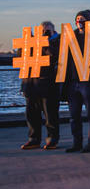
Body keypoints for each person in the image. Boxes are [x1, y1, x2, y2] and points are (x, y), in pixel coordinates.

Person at [20, 21, 60, 150]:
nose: (44, 33)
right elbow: (20, 55)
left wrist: (45, 41)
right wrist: (29, 41)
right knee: (31, 115)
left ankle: (52, 139)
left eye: (47, 31)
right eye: (42, 30)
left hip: (48, 86)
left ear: (53, 31)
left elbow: (54, 56)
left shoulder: (57, 42)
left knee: (50, 116)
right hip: (31, 84)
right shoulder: (33, 42)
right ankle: (33, 139)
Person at [64, 10, 90, 153]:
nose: (79, 21)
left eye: (82, 19)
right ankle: (76, 142)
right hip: (73, 81)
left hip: (88, 80)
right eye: (77, 19)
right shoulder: (70, 36)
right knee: (74, 115)